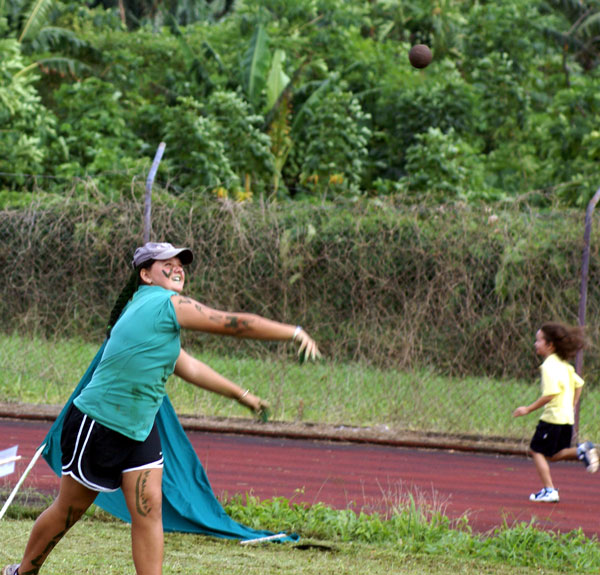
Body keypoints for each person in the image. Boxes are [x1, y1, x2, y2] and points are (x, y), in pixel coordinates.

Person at [3, 241, 321, 575]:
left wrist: (242, 395)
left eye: (181, 262)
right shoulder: (161, 303)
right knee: (70, 509)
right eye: (166, 263)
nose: (177, 267)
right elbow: (232, 323)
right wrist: (294, 332)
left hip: (139, 427)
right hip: (99, 422)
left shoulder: (154, 313)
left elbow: (189, 366)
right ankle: (22, 571)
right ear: (146, 275)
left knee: (148, 508)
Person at [512, 322, 598, 503]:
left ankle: (549, 490)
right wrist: (572, 404)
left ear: (550, 345)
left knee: (536, 450)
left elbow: (550, 394)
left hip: (552, 419)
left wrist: (527, 408)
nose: (535, 344)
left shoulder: (549, 366)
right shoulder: (565, 366)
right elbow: (579, 384)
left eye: (539, 341)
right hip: (566, 418)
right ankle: (582, 450)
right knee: (553, 454)